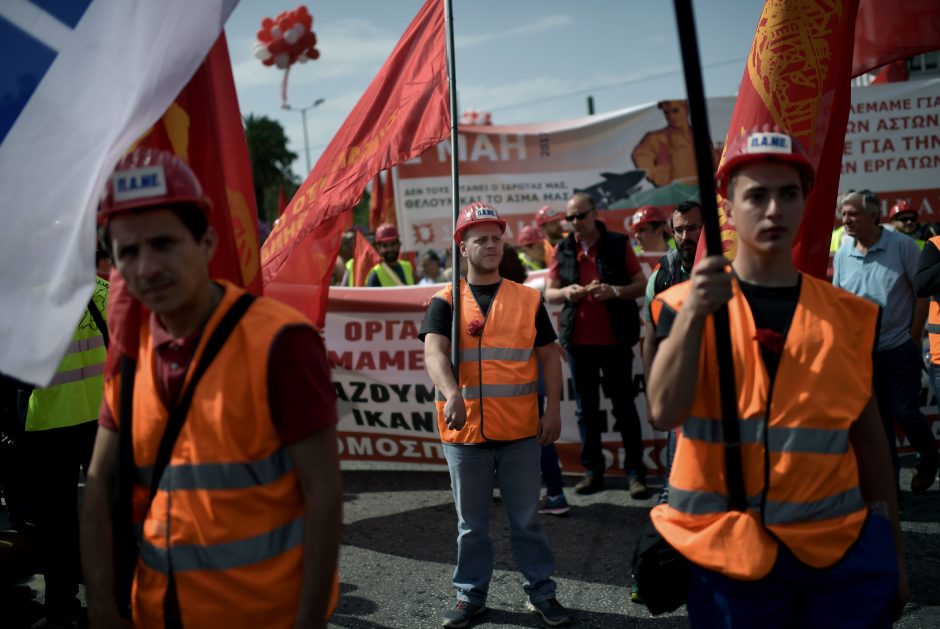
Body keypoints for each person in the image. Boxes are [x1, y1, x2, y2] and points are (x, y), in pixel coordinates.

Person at [647, 128, 908, 627]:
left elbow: (870, 441)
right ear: (728, 206)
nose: (774, 209)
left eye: (788, 193)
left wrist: (895, 555)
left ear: (807, 201)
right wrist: (696, 317)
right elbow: (665, 412)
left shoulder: (849, 316)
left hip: (835, 558)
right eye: (757, 195)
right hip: (727, 560)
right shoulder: (680, 306)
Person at [81, 148, 342, 628]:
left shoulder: (281, 342)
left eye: (164, 243)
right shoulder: (132, 356)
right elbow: (97, 484)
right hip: (157, 613)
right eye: (128, 253)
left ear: (206, 242)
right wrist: (101, 605)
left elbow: (324, 492)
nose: (147, 268)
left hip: (266, 616)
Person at [421, 202, 571, 628]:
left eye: (495, 238)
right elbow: (433, 352)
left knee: (526, 521)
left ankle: (542, 593)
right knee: (472, 526)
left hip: (521, 431)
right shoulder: (444, 299)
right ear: (463, 248)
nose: (490, 245)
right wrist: (451, 392)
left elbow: (548, 357)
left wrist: (554, 409)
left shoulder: (527, 299)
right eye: (480, 239)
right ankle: (470, 597)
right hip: (464, 433)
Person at [544, 192, 649, 498]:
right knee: (585, 411)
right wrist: (568, 293)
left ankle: (635, 473)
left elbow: (642, 285)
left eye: (580, 215)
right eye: (570, 217)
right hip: (579, 343)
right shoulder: (562, 248)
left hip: (616, 340)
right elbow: (549, 294)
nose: (575, 222)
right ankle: (593, 472)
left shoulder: (618, 243)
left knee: (625, 408)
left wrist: (615, 291)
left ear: (593, 214)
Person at [834, 190, 938, 493]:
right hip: (863, 355)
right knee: (879, 425)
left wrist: (913, 336)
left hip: (899, 347)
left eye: (852, 213)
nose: (846, 220)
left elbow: (922, 292)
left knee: (904, 412)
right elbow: (840, 300)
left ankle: (929, 458)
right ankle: (890, 490)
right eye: (843, 214)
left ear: (874, 216)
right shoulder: (843, 252)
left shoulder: (902, 246)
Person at [20, 275, 108, 628]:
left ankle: (61, 606)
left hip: (53, 420)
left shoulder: (27, 298)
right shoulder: (106, 290)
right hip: (104, 417)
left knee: (55, 521)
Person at [640, 200, 702, 497]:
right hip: (677, 383)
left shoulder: (728, 267)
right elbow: (650, 337)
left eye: (692, 228)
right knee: (676, 463)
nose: (685, 236)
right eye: (679, 230)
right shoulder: (662, 273)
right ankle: (670, 502)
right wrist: (654, 393)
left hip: (721, 383)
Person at [632, 100, 697, 187]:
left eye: (675, 110)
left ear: (686, 108)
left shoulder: (698, 133)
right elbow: (641, 155)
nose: (671, 116)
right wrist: (660, 176)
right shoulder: (656, 137)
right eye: (666, 112)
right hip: (679, 192)